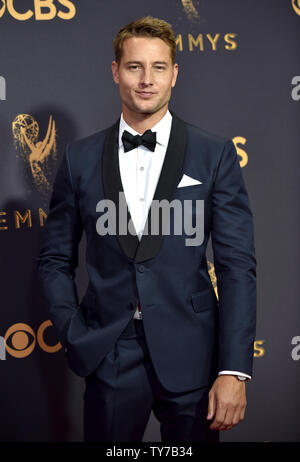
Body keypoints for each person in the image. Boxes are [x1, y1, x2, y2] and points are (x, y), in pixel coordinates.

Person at [37, 16, 256, 442]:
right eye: (135, 66)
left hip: (193, 352)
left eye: (158, 67)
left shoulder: (215, 154)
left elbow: (236, 267)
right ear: (116, 71)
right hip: (109, 350)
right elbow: (54, 258)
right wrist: (71, 329)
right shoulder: (78, 158)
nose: (146, 80)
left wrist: (233, 369)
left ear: (174, 73)